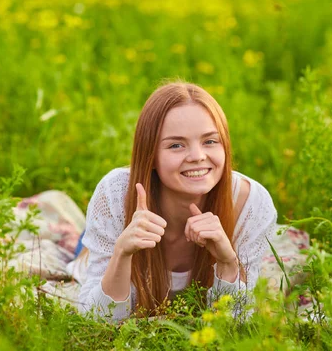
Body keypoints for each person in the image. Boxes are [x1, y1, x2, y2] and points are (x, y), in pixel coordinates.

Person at [75, 81, 278, 321]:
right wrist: (121, 253)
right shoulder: (115, 193)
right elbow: (97, 321)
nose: (197, 156)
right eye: (176, 145)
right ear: (150, 155)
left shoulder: (252, 204)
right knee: (81, 249)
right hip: (102, 242)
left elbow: (237, 322)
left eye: (210, 141)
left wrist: (227, 262)